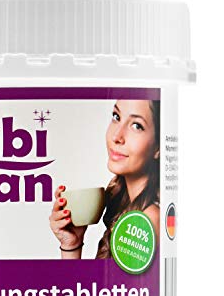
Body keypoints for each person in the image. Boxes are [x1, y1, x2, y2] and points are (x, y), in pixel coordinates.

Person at [49, 99, 160, 259]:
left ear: (158, 147)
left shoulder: (146, 220)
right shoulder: (127, 205)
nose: (116, 136)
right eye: (116, 117)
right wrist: (72, 245)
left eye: (136, 126)